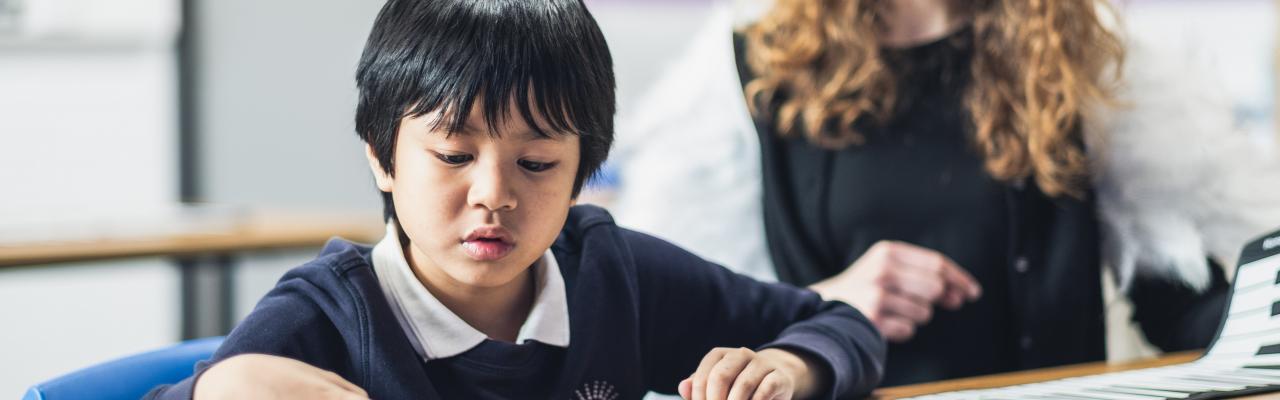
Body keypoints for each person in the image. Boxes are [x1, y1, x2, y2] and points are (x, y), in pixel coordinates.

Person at [144, 0, 887, 399]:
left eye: (535, 162)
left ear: (583, 172)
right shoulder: (329, 315)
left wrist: (794, 369)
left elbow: (836, 324)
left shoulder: (611, 275)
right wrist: (227, 386)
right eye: (454, 155)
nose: (494, 194)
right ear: (382, 158)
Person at [612, 0, 1280, 387]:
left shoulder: (1071, 50)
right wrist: (831, 302)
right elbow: (697, 322)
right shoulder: (751, 73)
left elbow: (1175, 287)